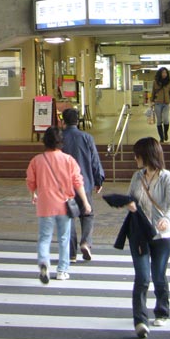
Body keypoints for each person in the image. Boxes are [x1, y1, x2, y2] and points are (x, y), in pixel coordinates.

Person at [124, 137, 170, 339]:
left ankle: (162, 310)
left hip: (162, 235)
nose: (135, 158)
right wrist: (129, 204)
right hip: (139, 233)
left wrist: (166, 219)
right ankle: (140, 319)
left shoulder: (167, 178)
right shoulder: (137, 176)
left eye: (137, 154)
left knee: (158, 274)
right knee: (142, 276)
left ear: (146, 155)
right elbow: (130, 196)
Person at [26, 126, 91, 284]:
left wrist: (33, 194)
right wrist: (86, 202)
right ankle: (62, 270)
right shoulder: (68, 160)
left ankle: (43, 262)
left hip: (45, 205)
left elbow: (30, 181)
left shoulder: (37, 160)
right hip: (64, 205)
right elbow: (78, 181)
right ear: (61, 141)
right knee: (64, 238)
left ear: (45, 141)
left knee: (44, 238)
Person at [61, 107, 104, 262]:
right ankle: (86, 242)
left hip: (64, 186)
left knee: (69, 217)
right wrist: (99, 179)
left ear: (63, 121)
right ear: (77, 121)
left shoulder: (59, 138)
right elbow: (94, 160)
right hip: (83, 183)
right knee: (88, 214)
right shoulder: (86, 137)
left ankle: (71, 253)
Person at [150, 68, 170, 142]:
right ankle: (161, 137)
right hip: (158, 103)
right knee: (159, 120)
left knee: (166, 119)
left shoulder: (169, 82)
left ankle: (165, 133)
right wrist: (151, 101)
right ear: (160, 73)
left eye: (165, 73)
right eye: (163, 73)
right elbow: (153, 92)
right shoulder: (155, 82)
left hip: (166, 103)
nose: (164, 74)